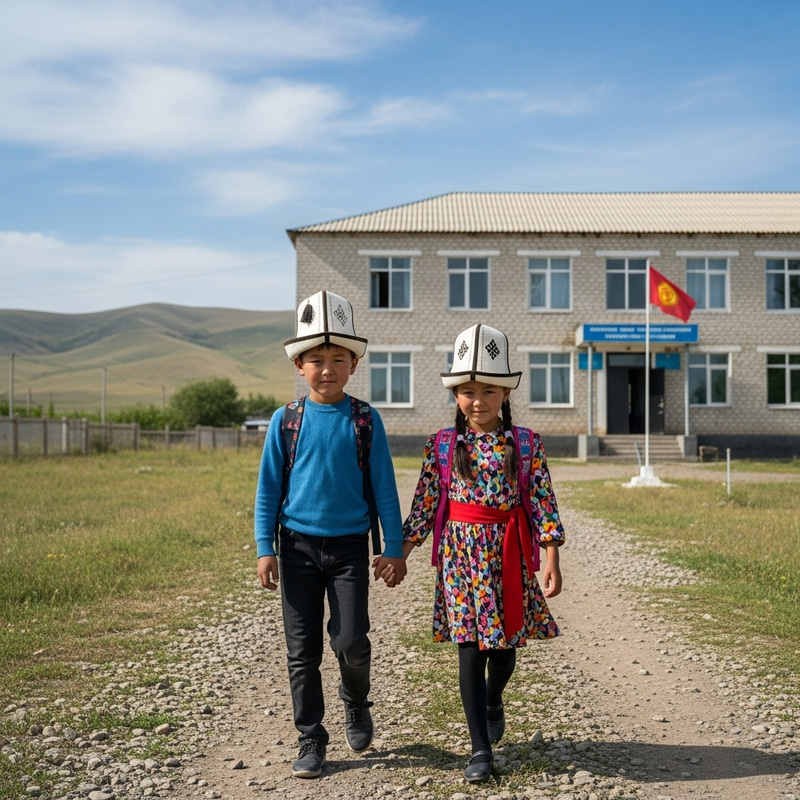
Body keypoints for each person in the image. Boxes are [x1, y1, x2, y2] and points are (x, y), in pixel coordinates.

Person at [392, 323, 564, 783]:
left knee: (504, 650)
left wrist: (550, 559)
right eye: (467, 391)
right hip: (460, 560)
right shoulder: (443, 446)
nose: (478, 400)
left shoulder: (526, 444)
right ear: (455, 395)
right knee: (469, 647)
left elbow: (542, 503)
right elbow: (426, 506)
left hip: (507, 554)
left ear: (506, 392)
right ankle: (479, 749)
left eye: (489, 390)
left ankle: (494, 698)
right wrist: (402, 553)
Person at [255, 290, 408, 779]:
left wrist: (393, 547)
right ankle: (311, 738)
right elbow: (267, 491)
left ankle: (355, 700)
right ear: (299, 365)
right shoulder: (286, 421)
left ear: (353, 364)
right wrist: (265, 548)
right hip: (296, 547)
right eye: (316, 360)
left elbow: (384, 488)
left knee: (350, 640)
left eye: (337, 359)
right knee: (302, 651)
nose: (326, 368)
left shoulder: (365, 420)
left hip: (348, 551)